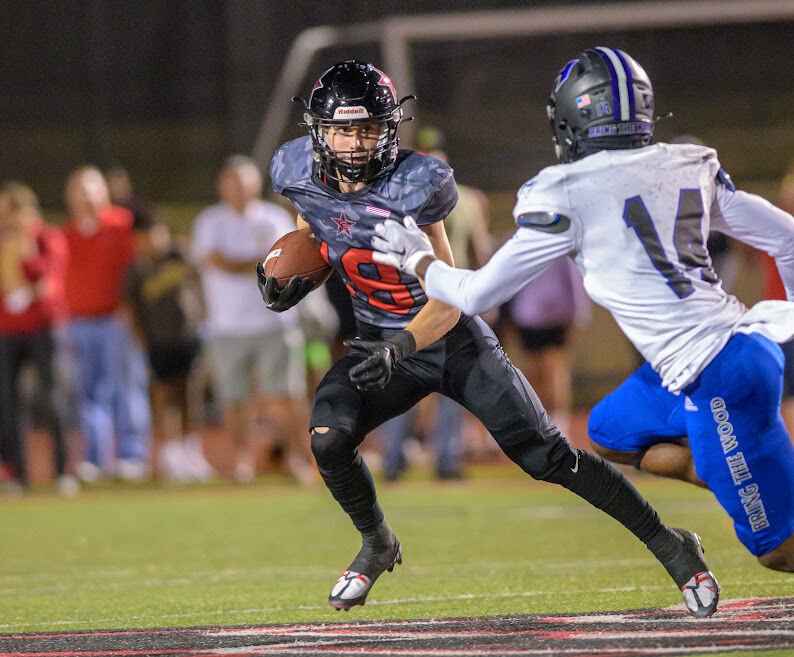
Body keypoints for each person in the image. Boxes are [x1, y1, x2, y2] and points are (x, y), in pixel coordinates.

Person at [258, 59, 719, 616]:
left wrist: (400, 346)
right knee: (328, 438)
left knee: (548, 457)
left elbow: (451, 295)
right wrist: (298, 274)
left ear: (388, 129)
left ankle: (671, 545)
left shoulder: (416, 182)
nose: (355, 142)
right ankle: (377, 542)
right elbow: (318, 232)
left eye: (367, 128)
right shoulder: (296, 172)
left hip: (444, 339)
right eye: (343, 129)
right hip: (376, 339)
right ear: (319, 133)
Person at [372, 47, 794, 573]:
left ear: (575, 115)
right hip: (718, 358)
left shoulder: (567, 192)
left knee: (779, 551)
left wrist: (418, 258)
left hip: (717, 371)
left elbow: (477, 294)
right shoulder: (685, 164)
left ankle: (747, 468)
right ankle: (739, 465)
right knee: (612, 430)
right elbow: (788, 238)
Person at [380, 125, 494, 481]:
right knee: (411, 378)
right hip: (424, 295)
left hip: (439, 296)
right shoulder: (462, 198)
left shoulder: (460, 198)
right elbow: (482, 252)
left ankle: (426, 458)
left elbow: (480, 250)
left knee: (439, 382)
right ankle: (408, 458)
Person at [191, 155, 314, 485]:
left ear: (255, 185)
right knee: (234, 399)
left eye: (244, 183)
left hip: (274, 323)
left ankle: (296, 458)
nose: (238, 190)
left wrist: (253, 266)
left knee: (288, 395)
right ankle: (242, 460)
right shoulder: (209, 221)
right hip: (225, 326)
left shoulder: (273, 218)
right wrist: (258, 266)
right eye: (232, 183)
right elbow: (219, 261)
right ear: (222, 186)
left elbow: (288, 264)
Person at [62, 166, 152, 482]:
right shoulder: (66, 234)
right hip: (77, 324)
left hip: (117, 321)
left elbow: (140, 274)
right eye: (79, 191)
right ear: (69, 197)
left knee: (126, 390)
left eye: (91, 189)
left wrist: (133, 313)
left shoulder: (123, 226)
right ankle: (95, 459)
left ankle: (131, 456)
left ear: (104, 192)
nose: (86, 197)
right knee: (86, 395)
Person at [0, 181, 76, 494]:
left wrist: (25, 252)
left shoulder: (48, 238)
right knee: (7, 402)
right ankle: (16, 471)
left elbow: (50, 282)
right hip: (7, 331)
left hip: (44, 328)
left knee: (51, 397)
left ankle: (62, 471)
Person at [123, 217, 212, 482]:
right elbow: (130, 307)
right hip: (158, 341)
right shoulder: (138, 270)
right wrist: (140, 338)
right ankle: (168, 454)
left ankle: (191, 451)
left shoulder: (182, 257)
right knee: (163, 395)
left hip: (187, 335)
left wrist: (203, 319)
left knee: (190, 393)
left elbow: (200, 286)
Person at [499, 256, 589, 438]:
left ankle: (559, 424)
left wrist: (577, 316)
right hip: (527, 317)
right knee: (533, 374)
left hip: (555, 317)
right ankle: (539, 423)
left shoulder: (562, 249)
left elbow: (574, 281)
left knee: (554, 371)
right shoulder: (518, 241)